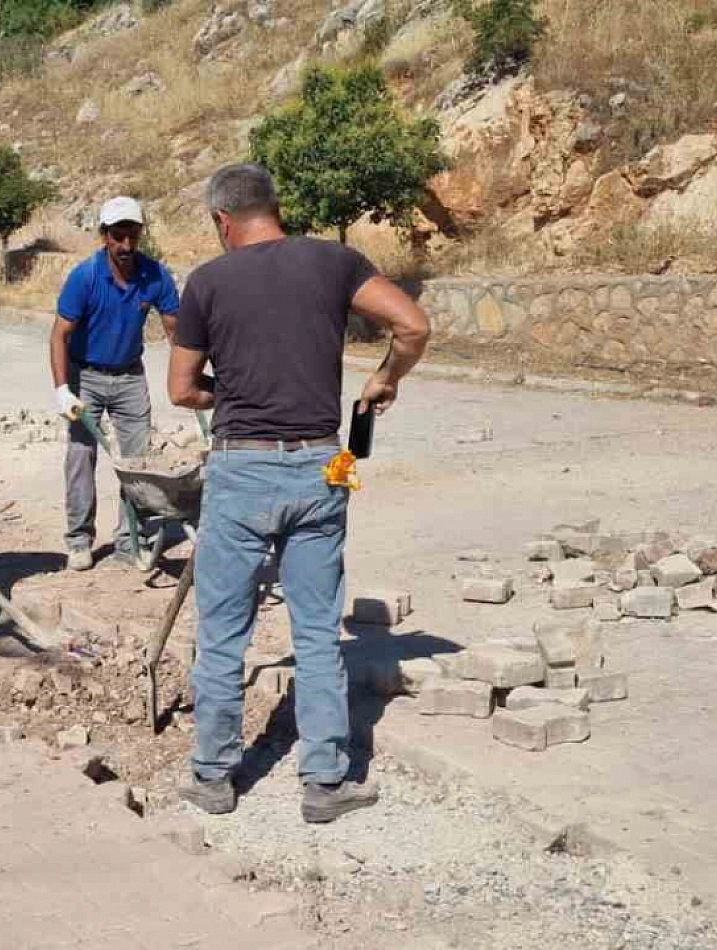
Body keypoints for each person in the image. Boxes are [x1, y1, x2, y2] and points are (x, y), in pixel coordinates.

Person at [168, 164, 431, 824]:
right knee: (317, 631)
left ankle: (214, 778)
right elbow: (413, 326)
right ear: (272, 208)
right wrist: (383, 381)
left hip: (241, 469)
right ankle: (324, 784)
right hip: (322, 464)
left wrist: (231, 396)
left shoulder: (207, 281)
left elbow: (180, 388)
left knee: (224, 631)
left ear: (222, 221)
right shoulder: (335, 261)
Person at [50, 196, 180, 571]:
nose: (126, 246)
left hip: (129, 375)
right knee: (80, 456)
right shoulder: (85, 277)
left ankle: (129, 540)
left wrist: (190, 378)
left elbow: (176, 332)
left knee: (137, 463)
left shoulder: (154, 275)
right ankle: (78, 540)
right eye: (118, 236)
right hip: (84, 375)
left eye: (133, 237)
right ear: (104, 235)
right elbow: (58, 335)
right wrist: (63, 390)